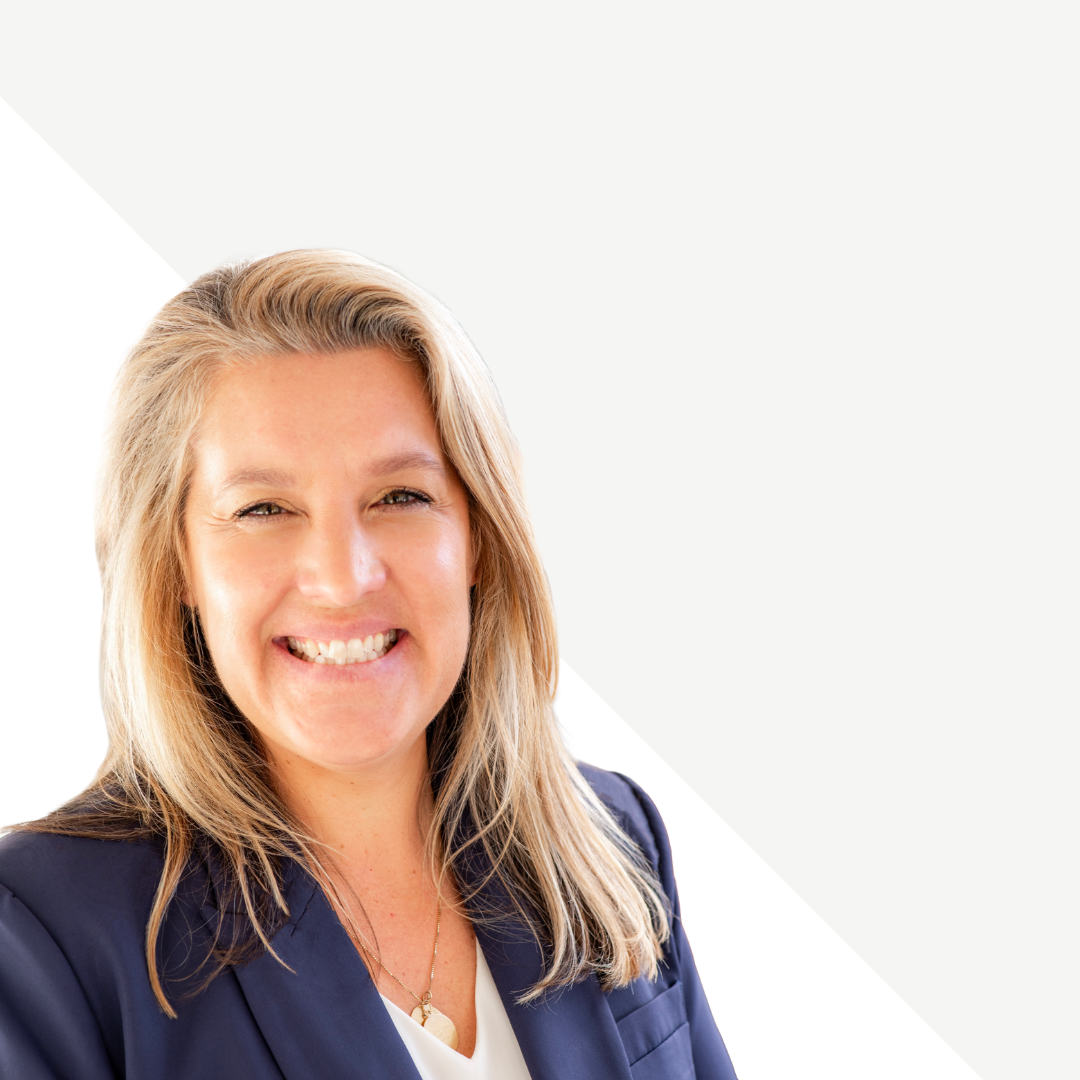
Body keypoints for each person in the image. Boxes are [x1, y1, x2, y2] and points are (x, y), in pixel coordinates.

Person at [0, 250, 738, 1080]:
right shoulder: (41, 934)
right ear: (177, 570)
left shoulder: (610, 837)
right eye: (264, 509)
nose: (344, 577)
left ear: (478, 538)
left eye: (401, 497)